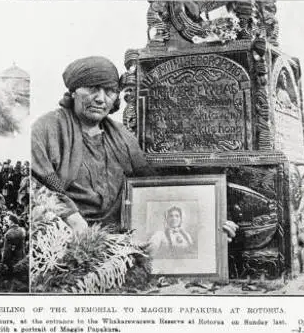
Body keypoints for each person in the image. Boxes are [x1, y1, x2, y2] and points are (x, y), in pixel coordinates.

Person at [31, 56, 238, 239]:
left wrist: (211, 222)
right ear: (74, 91)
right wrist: (72, 218)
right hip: (65, 237)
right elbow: (37, 185)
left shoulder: (123, 137)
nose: (101, 98)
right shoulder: (47, 129)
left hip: (122, 237)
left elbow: (152, 189)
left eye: (110, 91)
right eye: (92, 88)